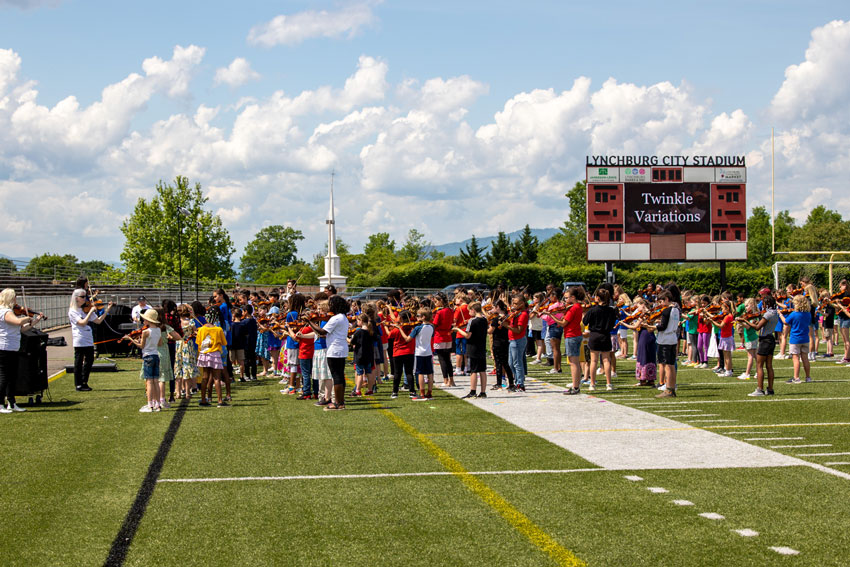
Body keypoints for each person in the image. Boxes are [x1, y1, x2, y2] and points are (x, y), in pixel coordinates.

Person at [304, 294, 350, 411]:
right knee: (339, 376)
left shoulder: (336, 318)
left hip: (334, 350)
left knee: (336, 376)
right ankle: (341, 402)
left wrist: (309, 322)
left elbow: (322, 331)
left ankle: (338, 403)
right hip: (341, 348)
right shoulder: (342, 317)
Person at [0, 289, 42, 413]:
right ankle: (0, 404)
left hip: (12, 347)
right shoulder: (5, 312)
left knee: (12, 377)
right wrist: (27, 316)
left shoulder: (10, 312)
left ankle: (12, 403)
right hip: (5, 347)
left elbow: (21, 329)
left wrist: (34, 321)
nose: (16, 301)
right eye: (14, 298)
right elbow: (18, 321)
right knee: (4, 377)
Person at [68, 289, 112, 391]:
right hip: (79, 338)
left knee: (89, 360)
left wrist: (107, 310)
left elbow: (98, 321)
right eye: (83, 297)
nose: (85, 299)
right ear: (76, 298)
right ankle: (78, 384)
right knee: (79, 361)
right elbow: (82, 322)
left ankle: (84, 381)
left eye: (85, 297)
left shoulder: (87, 309)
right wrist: (91, 312)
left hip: (88, 338)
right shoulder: (73, 311)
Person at [125, 309, 164, 412]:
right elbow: (160, 343)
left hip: (148, 356)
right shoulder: (158, 330)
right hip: (155, 355)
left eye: (145, 320)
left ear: (149, 320)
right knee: (156, 380)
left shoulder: (146, 331)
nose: (143, 321)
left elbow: (141, 346)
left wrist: (131, 339)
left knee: (149, 381)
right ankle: (158, 404)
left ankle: (150, 405)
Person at [741, 295, 779, 396]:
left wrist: (745, 321)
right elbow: (763, 324)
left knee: (759, 365)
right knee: (769, 366)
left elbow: (757, 328)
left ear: (767, 304)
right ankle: (770, 389)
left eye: (764, 303)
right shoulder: (775, 313)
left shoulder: (767, 314)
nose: (762, 305)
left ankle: (760, 389)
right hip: (771, 338)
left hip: (765, 340)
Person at [454, 301, 488, 398]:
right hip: (481, 347)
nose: (469, 313)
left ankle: (473, 391)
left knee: (473, 371)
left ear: (473, 310)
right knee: (482, 370)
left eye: (470, 311)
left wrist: (458, 329)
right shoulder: (484, 320)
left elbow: (468, 335)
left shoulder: (472, 321)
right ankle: (483, 392)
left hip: (473, 347)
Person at [195, 308, 228, 407]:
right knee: (216, 378)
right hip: (215, 354)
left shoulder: (201, 329)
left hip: (204, 354)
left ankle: (204, 400)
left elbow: (198, 342)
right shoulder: (218, 329)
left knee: (205, 377)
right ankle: (220, 401)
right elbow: (224, 342)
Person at [558, 286, 587, 395]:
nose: (565, 300)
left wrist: (551, 315)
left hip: (572, 335)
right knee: (575, 362)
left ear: (573, 297)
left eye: (566, 298)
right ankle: (576, 385)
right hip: (574, 334)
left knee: (573, 362)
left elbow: (564, 323)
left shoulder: (574, 307)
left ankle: (575, 387)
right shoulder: (577, 306)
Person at [780, 294, 813, 384]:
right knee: (805, 358)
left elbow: (785, 322)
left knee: (796, 358)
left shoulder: (794, 314)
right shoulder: (808, 314)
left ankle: (796, 377)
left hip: (795, 339)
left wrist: (780, 314)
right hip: (805, 338)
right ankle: (808, 377)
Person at [654, 290, 681, 398]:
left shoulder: (666, 311)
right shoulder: (676, 310)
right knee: (671, 364)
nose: (660, 304)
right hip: (673, 338)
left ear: (667, 299)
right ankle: (672, 388)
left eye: (661, 301)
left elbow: (663, 326)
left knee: (667, 365)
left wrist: (654, 327)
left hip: (665, 339)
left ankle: (668, 389)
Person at [502, 295, 530, 392]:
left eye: (516, 303)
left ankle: (520, 384)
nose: (513, 305)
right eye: (513, 303)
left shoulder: (523, 314)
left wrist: (507, 326)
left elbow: (518, 330)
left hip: (518, 340)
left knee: (517, 363)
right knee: (511, 363)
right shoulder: (515, 313)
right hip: (512, 340)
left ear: (522, 304)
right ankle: (517, 380)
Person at [173, 303, 199, 399]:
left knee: (178, 367)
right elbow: (195, 332)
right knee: (188, 368)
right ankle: (188, 392)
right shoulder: (191, 322)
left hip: (179, 344)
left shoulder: (176, 322)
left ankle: (178, 392)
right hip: (188, 345)